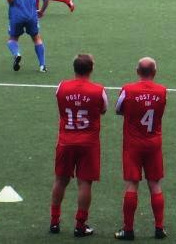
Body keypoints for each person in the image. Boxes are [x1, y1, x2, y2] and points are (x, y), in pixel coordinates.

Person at [50, 54, 107, 237]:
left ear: (74, 69)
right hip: (88, 143)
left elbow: (60, 104)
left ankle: (54, 221)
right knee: (85, 183)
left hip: (66, 141)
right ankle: (80, 225)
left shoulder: (62, 87)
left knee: (60, 180)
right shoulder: (98, 90)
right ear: (91, 69)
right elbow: (104, 109)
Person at [114, 57, 168, 241]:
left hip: (133, 144)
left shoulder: (128, 89)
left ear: (137, 71)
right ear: (154, 72)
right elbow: (160, 111)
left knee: (132, 184)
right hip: (153, 143)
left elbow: (118, 109)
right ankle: (159, 228)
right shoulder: (162, 91)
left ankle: (128, 230)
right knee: (155, 183)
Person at [5, 0, 50, 72]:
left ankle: (17, 54)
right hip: (31, 16)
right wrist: (41, 11)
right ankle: (42, 66)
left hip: (16, 16)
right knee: (36, 38)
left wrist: (11, 3)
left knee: (13, 39)